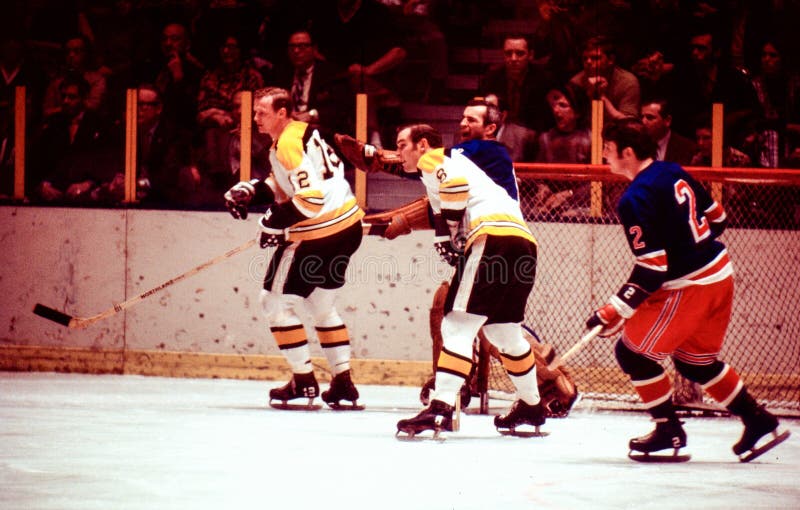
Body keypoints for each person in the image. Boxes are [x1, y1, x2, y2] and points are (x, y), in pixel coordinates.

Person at [587, 117, 790, 462]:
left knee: (633, 354)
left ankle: (668, 429)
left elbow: (653, 268)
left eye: (607, 150)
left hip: (691, 285)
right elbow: (720, 220)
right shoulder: (672, 170)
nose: (604, 157)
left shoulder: (634, 198)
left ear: (629, 152)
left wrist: (615, 309)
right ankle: (758, 420)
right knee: (696, 362)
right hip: (719, 274)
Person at [392, 122, 544, 438]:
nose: (397, 153)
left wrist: (451, 234)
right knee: (504, 334)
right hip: (523, 243)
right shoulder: (438, 173)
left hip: (493, 238)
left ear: (422, 145)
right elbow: (445, 211)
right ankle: (531, 404)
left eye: (401, 144)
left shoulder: (432, 159)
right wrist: (446, 238)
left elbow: (456, 189)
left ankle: (441, 407)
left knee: (456, 324)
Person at [223, 87, 365, 410]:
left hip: (319, 232)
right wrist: (251, 190)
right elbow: (288, 182)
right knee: (321, 304)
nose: (255, 117)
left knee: (273, 301)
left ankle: (303, 381)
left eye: (262, 112)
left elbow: (309, 199)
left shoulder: (286, 144)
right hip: (348, 227)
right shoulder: (303, 133)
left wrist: (270, 223)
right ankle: (342, 383)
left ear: (283, 112)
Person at [480, 34, 552, 132]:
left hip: (533, 133)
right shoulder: (491, 77)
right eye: (508, 53)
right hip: (498, 131)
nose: (513, 59)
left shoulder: (544, 80)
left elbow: (545, 118)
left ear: (530, 55)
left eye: (520, 53)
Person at [569, 35, 641, 121]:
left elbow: (629, 125)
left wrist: (602, 97)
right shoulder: (576, 83)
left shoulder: (628, 82)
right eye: (585, 58)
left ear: (611, 60)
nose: (588, 62)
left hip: (616, 132)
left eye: (595, 58)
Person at [640, 97, 696, 165]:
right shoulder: (637, 145)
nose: (643, 121)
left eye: (650, 117)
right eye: (642, 117)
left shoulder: (687, 148)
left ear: (667, 121)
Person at [483, 92, 538, 162]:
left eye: (491, 109)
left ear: (503, 115)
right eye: (484, 108)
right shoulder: (475, 133)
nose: (485, 113)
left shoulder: (524, 137)